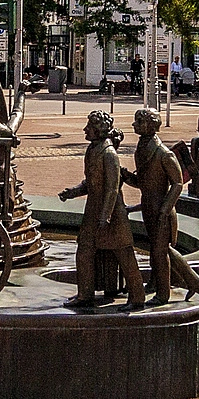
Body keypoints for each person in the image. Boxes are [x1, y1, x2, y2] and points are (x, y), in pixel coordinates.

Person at [59, 110, 146, 310]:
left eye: (89, 127)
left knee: (124, 254)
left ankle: (137, 296)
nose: (85, 130)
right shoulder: (93, 150)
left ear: (98, 130)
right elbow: (91, 183)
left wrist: (105, 217)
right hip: (93, 210)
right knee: (84, 251)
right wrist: (72, 192)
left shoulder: (109, 154)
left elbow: (112, 189)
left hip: (112, 214)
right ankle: (85, 294)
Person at [123, 107, 199, 304]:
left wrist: (165, 209)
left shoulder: (163, 154)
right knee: (157, 249)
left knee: (160, 252)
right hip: (149, 207)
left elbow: (177, 183)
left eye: (139, 122)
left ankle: (163, 294)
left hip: (162, 210)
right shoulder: (142, 149)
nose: (134, 125)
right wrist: (126, 176)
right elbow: (143, 182)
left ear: (151, 126)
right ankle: (163, 283)